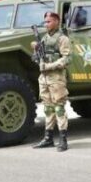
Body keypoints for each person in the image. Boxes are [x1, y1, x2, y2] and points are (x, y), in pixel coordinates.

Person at [31, 11, 72, 152]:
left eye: (49, 22)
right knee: (48, 108)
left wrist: (49, 66)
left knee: (59, 108)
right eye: (45, 22)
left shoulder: (62, 39)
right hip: (44, 78)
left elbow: (67, 59)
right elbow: (38, 58)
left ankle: (63, 139)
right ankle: (48, 138)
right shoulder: (44, 38)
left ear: (56, 21)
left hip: (56, 78)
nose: (46, 24)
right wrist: (36, 52)